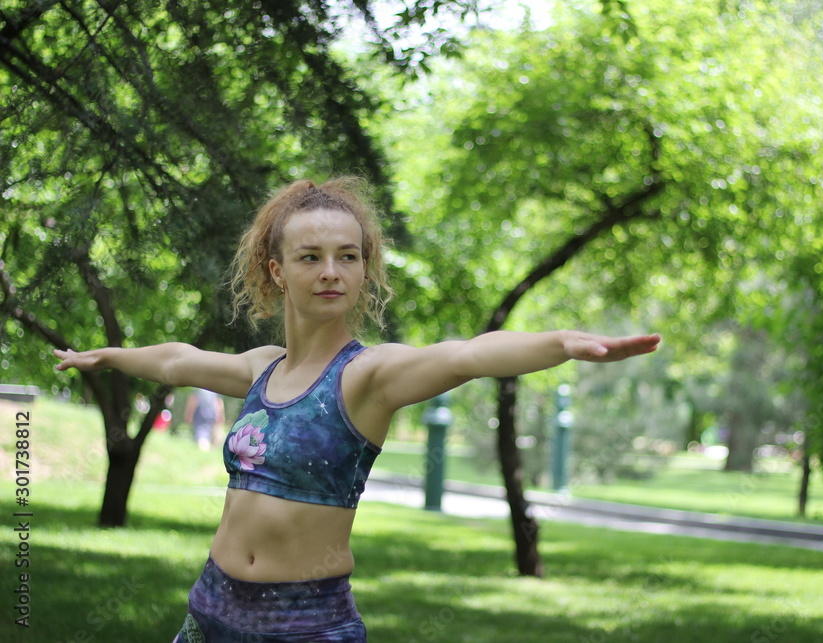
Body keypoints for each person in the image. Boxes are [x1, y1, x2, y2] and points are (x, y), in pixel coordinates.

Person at [54, 176, 661, 642]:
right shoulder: (262, 368)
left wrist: (562, 345)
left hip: (305, 623)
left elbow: (467, 355)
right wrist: (107, 356)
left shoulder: (367, 377)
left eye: (348, 256)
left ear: (364, 268)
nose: (331, 272)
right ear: (277, 271)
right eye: (310, 257)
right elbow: (176, 362)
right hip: (210, 611)